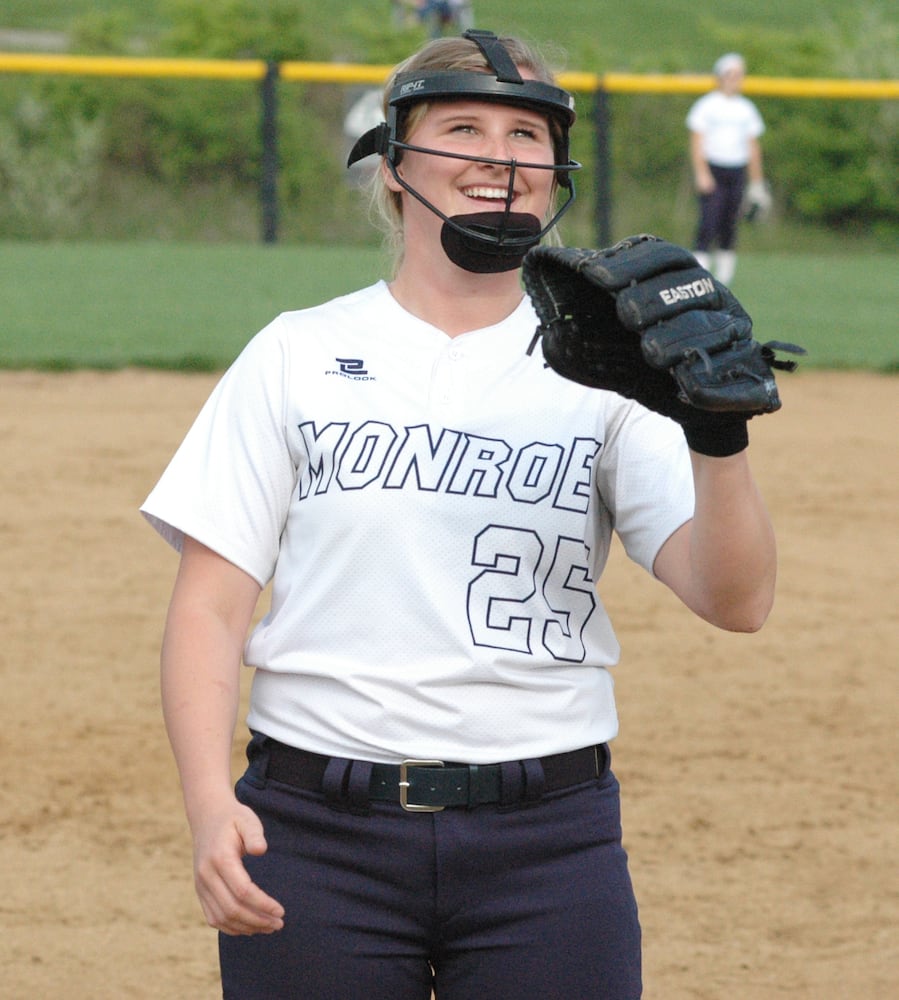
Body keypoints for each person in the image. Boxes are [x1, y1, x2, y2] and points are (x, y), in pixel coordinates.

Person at [142, 29, 778, 1000]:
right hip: (316, 833)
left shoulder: (608, 369)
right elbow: (209, 608)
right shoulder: (297, 353)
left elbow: (734, 598)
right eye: (463, 127)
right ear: (394, 164)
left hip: (548, 842)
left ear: (554, 165)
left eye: (526, 133)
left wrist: (716, 436)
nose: (499, 156)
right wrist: (204, 803)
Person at [686, 52, 771, 285]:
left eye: (739, 74)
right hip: (714, 168)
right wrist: (701, 172)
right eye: (731, 74)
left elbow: (753, 147)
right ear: (720, 76)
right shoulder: (707, 105)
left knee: (729, 224)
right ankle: (699, 273)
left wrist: (757, 182)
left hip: (736, 170)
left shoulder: (746, 108)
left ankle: (724, 277)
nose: (735, 79)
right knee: (708, 222)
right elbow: (697, 141)